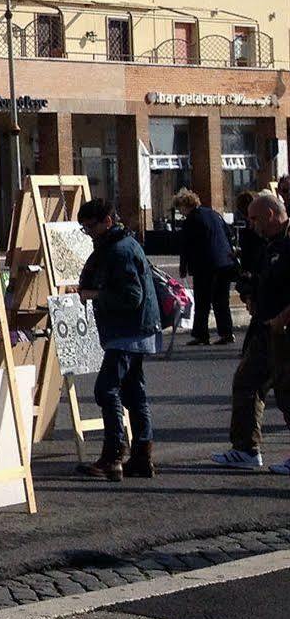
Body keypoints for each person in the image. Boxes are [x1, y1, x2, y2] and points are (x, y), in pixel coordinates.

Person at [76, 198, 162, 481]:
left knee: (106, 389)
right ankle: (142, 455)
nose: (88, 233)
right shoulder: (122, 244)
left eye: (91, 227)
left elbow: (132, 296)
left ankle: (114, 455)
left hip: (127, 332)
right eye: (84, 228)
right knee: (133, 391)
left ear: (108, 222)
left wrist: (95, 295)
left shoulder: (119, 250)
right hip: (135, 330)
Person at [210, 192, 290, 472]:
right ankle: (245, 449)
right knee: (246, 383)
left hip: (284, 329)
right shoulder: (267, 244)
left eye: (255, 218)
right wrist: (250, 293)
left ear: (270, 214)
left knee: (287, 391)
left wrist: (283, 316)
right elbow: (262, 277)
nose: (252, 224)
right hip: (264, 328)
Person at [173, 189, 236, 346]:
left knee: (202, 301)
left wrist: (183, 267)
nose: (180, 211)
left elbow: (186, 246)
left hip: (205, 265)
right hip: (225, 262)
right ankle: (226, 332)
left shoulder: (191, 220)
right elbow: (229, 234)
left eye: (179, 208)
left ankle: (201, 334)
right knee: (221, 300)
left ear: (185, 205)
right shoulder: (214, 214)